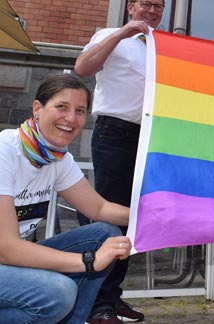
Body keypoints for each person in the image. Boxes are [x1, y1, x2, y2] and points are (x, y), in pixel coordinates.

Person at [0, 73, 132, 323]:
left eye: (80, 111)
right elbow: (6, 248)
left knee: (107, 235)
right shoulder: (5, 151)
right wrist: (89, 261)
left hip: (7, 262)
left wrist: (154, 213)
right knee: (58, 292)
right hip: (5, 254)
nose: (71, 118)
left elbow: (99, 207)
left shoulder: (57, 157)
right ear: (37, 109)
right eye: (62, 107)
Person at [74, 0, 165, 324]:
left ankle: (112, 297)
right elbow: (83, 67)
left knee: (133, 218)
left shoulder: (158, 45)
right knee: (108, 216)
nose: (151, 11)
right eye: (145, 5)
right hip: (114, 134)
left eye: (158, 7)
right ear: (131, 8)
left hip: (149, 138)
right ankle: (98, 304)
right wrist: (124, 33)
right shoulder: (110, 34)